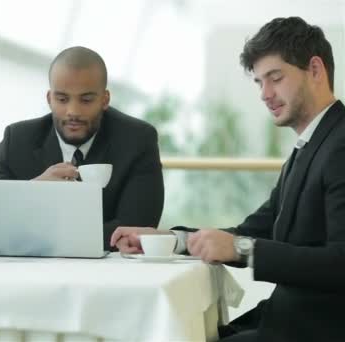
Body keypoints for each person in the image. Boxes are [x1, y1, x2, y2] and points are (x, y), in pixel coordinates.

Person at [111, 17, 345, 341]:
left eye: (275, 78)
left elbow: (340, 263)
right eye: (259, 82)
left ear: (316, 70)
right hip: (287, 321)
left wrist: (240, 248)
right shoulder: (309, 148)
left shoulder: (340, 145)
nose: (265, 93)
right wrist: (167, 239)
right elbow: (250, 232)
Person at [0, 46, 164, 250]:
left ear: (104, 100)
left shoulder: (137, 140)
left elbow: (137, 229)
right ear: (49, 99)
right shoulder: (17, 140)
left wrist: (35, 233)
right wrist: (33, 191)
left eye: (86, 100)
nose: (73, 111)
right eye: (62, 99)